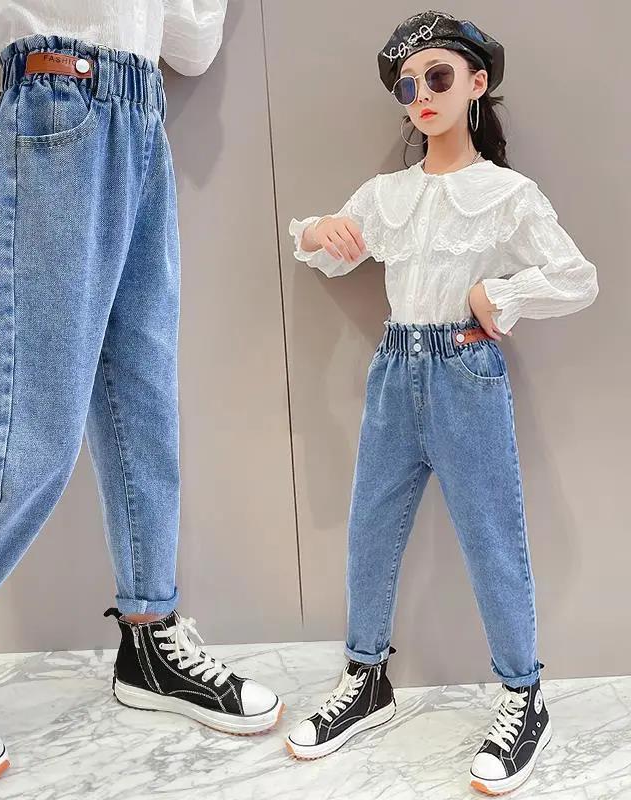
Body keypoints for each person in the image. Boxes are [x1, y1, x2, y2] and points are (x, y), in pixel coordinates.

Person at [0, 1, 283, 788]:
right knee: (38, 438)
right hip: (55, 111)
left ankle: (149, 639)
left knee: (145, 414)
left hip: (144, 121)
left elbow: (191, 46)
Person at [285, 10, 598, 796]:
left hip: (464, 372)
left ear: (477, 83)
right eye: (407, 85)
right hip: (394, 372)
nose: (420, 94)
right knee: (369, 530)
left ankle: (523, 696)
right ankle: (366, 679)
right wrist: (320, 230)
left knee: (493, 537)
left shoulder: (508, 194)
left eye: (437, 77)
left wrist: (503, 295)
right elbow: (328, 250)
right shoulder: (387, 194)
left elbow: (578, 278)